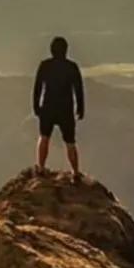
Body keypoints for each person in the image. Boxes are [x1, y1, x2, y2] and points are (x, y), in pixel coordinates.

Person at [32, 36, 85, 179]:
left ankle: (41, 168)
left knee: (44, 137)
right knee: (70, 142)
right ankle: (75, 173)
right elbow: (78, 89)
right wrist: (80, 108)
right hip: (65, 109)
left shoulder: (45, 66)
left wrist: (36, 106)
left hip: (48, 107)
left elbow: (38, 87)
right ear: (66, 51)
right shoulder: (71, 67)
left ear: (51, 50)